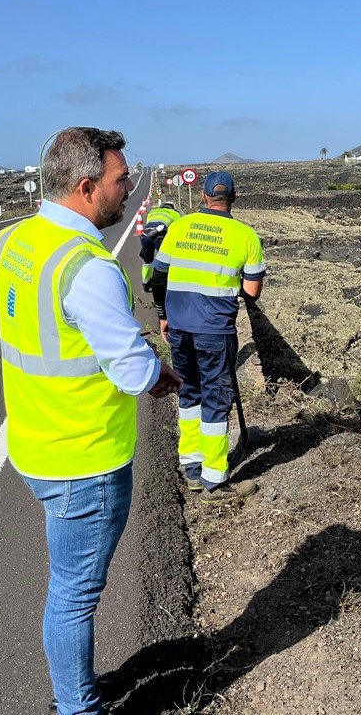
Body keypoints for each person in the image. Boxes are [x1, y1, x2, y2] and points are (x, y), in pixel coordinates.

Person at [0, 127, 183, 715]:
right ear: (84, 187)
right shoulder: (89, 268)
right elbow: (130, 369)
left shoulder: (14, 240)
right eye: (120, 180)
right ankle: (77, 707)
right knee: (74, 594)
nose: (127, 189)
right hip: (85, 458)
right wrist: (162, 376)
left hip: (34, 442)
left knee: (69, 588)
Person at [147, 170, 265, 505]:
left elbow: (158, 276)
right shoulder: (245, 236)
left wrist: (163, 316)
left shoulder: (180, 227)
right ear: (234, 198)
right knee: (215, 398)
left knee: (188, 391)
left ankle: (191, 465)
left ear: (202, 196)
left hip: (180, 325)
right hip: (215, 329)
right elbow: (252, 292)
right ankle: (215, 481)